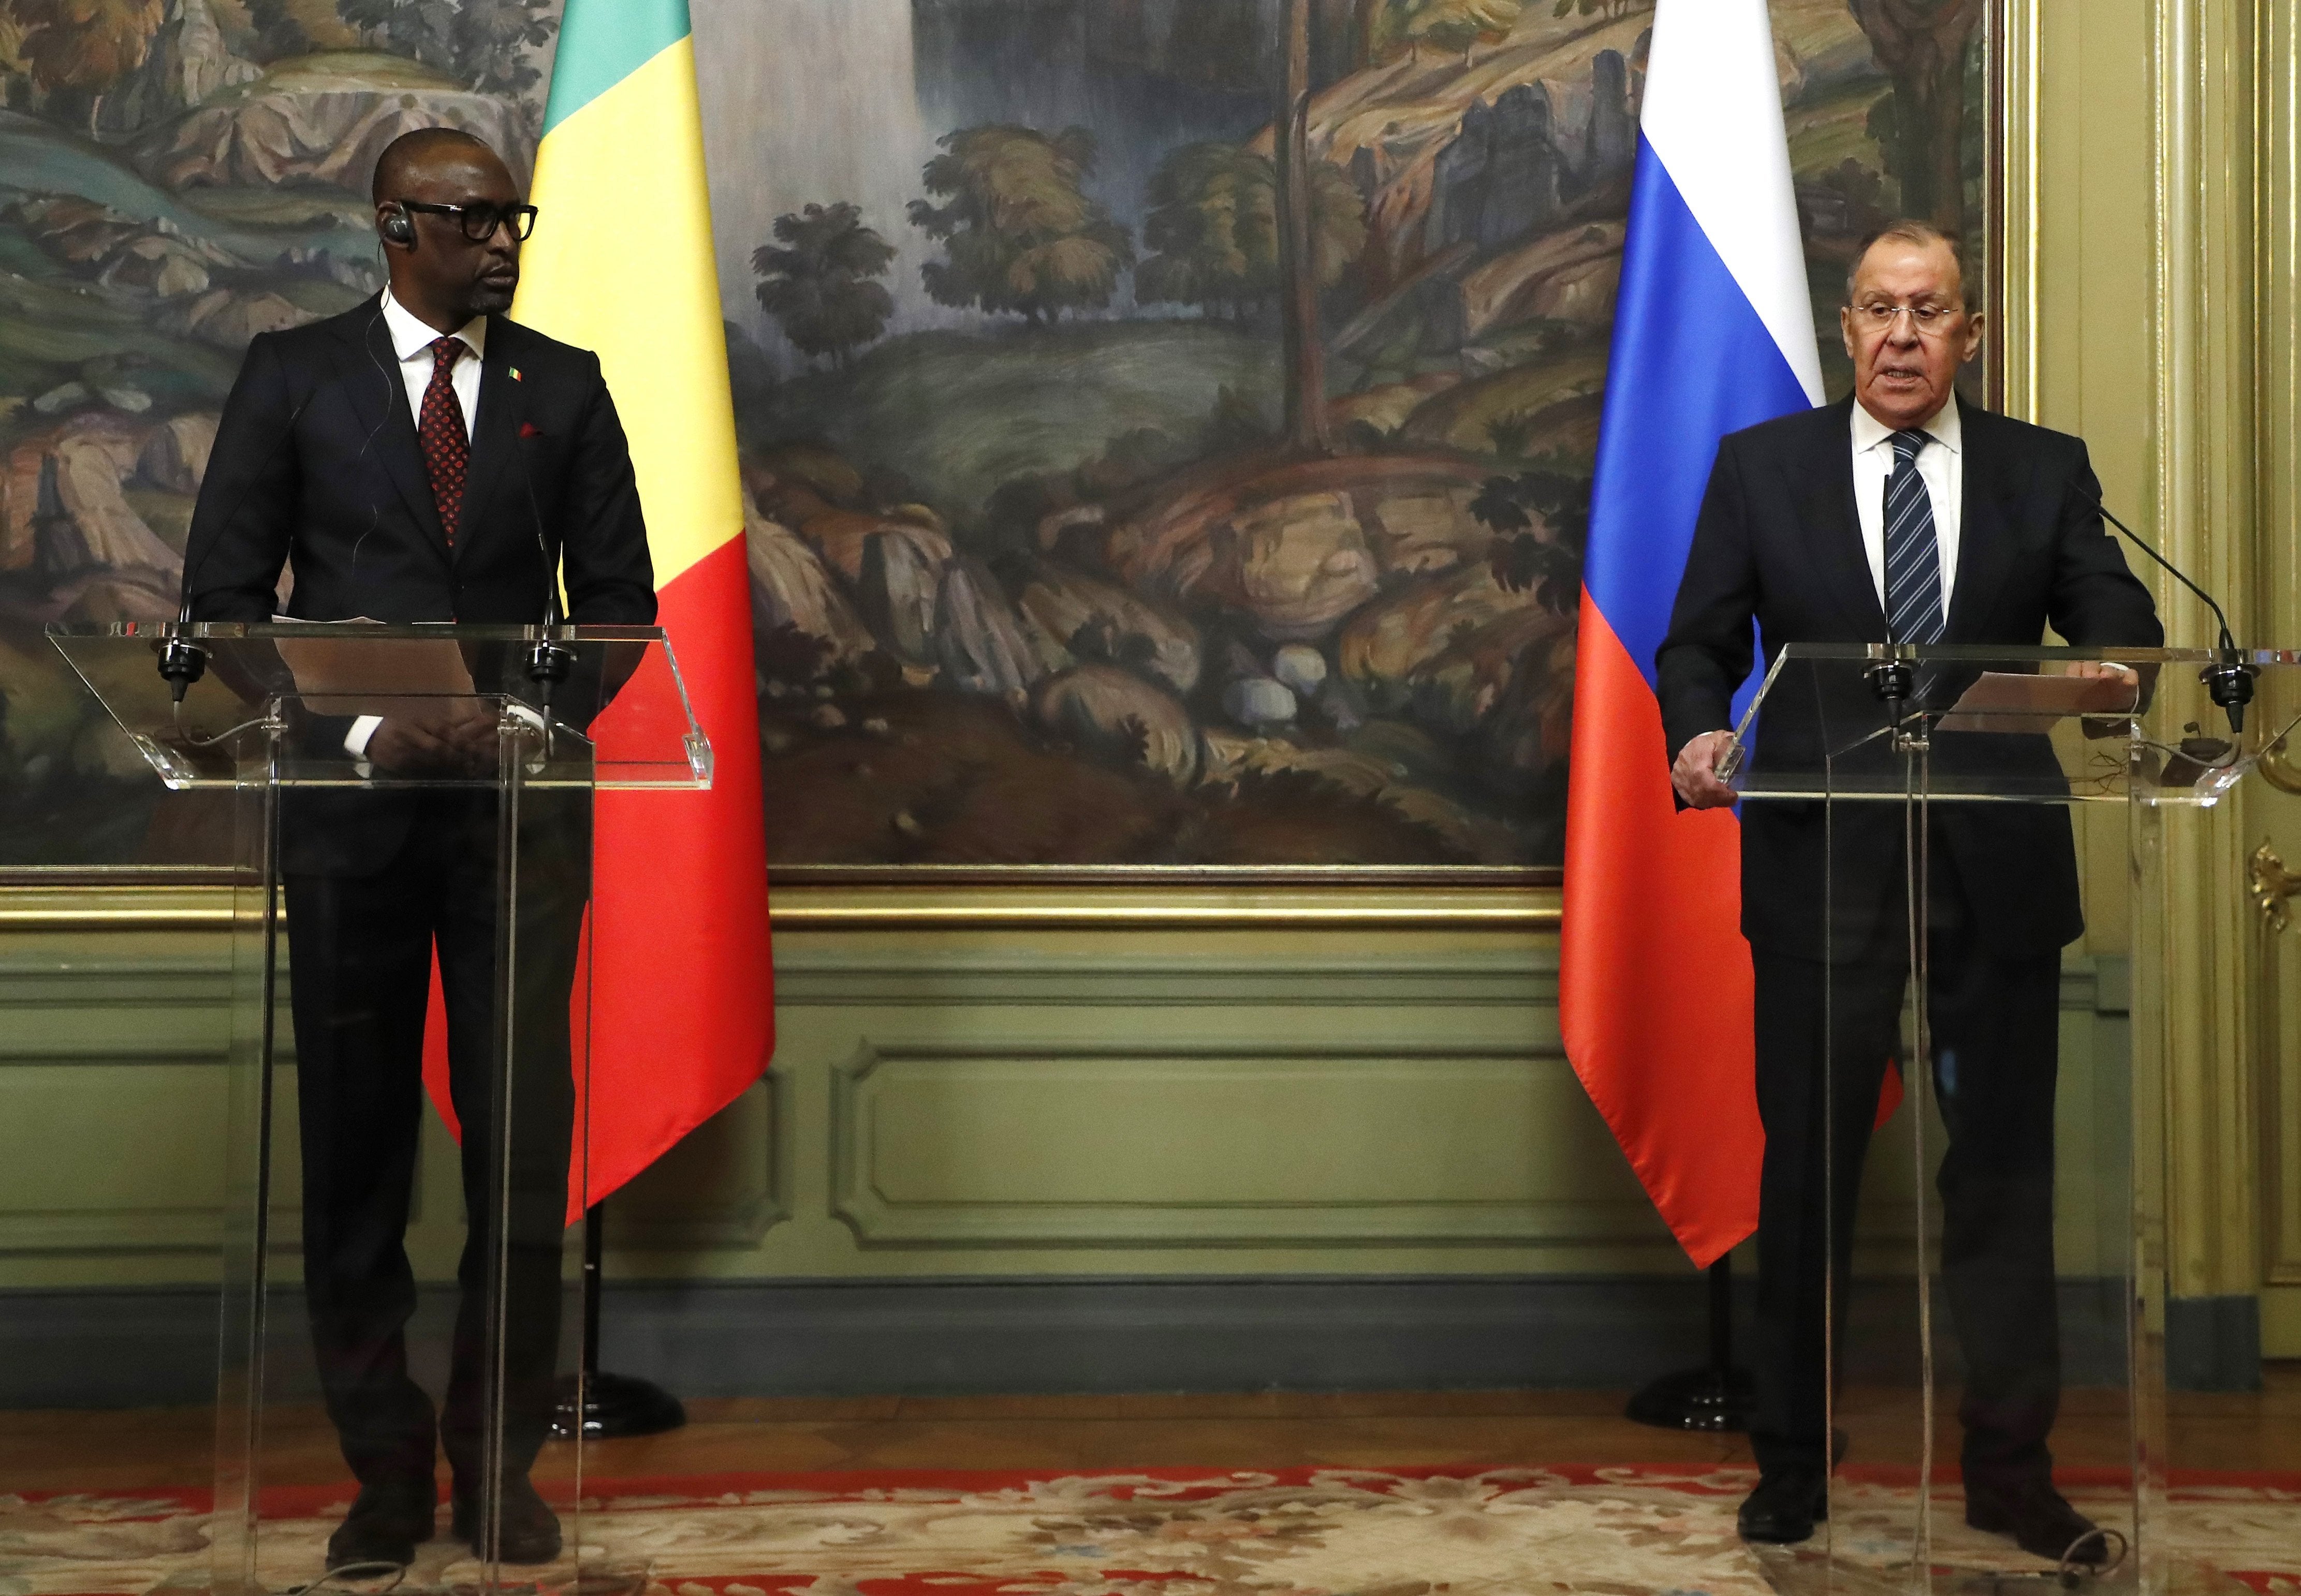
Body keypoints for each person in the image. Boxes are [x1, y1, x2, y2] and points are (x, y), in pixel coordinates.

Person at [183, 127, 655, 1570]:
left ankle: (492, 1468)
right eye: (474, 219)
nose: (505, 242)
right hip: (350, 821)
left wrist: (524, 724)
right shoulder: (294, 374)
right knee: (356, 1166)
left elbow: (624, 606)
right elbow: (221, 601)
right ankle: (384, 1480)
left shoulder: (560, 388)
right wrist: (374, 733)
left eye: (516, 218)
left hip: (516, 829)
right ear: (395, 224)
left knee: (518, 1160)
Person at [1657, 221, 2161, 1556]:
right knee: (1809, 1176)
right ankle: (1793, 1467)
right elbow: (1698, 641)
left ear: (1968, 334)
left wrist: (2118, 667)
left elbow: (2112, 609)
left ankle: (2011, 1475)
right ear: (1845, 327)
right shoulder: (1764, 469)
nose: (1899, 336)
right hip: (1823, 874)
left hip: (1995, 873)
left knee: (2003, 1182)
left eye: (1928, 311)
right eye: (1879, 310)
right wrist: (1699, 735)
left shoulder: (2039, 471)